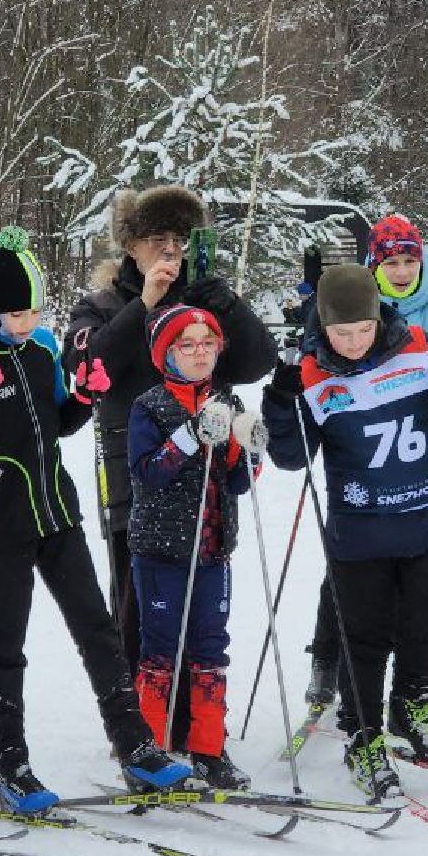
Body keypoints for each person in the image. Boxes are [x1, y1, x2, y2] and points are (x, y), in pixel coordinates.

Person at [0, 226, 194, 814]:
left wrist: (83, 395)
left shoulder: (41, 349)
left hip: (56, 512)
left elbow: (59, 422)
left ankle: (136, 748)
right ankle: (12, 766)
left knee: (98, 629)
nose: (25, 323)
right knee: (6, 647)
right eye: (14, 315)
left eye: (33, 311)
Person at [263, 264, 428, 800]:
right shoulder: (313, 373)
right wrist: (281, 400)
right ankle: (362, 733)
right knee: (364, 638)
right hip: (359, 533)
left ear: (377, 317)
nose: (355, 342)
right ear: (324, 327)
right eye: (342, 333)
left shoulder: (418, 348)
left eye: (363, 329)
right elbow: (291, 460)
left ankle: (412, 705)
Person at [64, 186, 277, 701]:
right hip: (134, 474)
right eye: (157, 238)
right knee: (139, 609)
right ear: (131, 245)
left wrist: (222, 299)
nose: (170, 250)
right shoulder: (101, 305)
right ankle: (142, 728)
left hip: (205, 480)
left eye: (181, 239)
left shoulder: (205, 300)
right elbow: (84, 371)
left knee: (203, 609)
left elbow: (256, 362)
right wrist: (144, 306)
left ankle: (197, 721)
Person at [299, 213, 428, 707]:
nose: (401, 270)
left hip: (419, 437)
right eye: (391, 261)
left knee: (420, 591)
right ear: (375, 263)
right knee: (353, 575)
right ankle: (328, 657)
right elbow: (319, 345)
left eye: (410, 259)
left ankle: (408, 697)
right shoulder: (352, 296)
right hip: (363, 440)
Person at [127, 305, 262, 788]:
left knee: (210, 649)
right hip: (162, 552)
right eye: (188, 345)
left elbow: (238, 482)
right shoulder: (151, 405)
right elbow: (146, 474)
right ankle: (149, 753)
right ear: (168, 354)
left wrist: (249, 447)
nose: (200, 353)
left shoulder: (227, 400)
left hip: (212, 550)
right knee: (161, 649)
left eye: (209, 344)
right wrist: (190, 436)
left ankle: (209, 749)